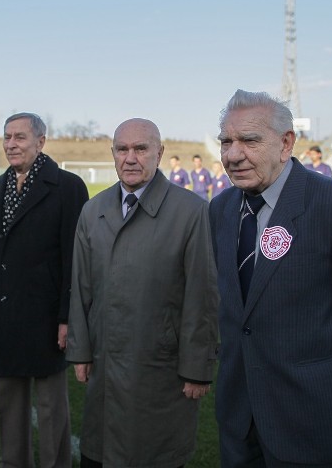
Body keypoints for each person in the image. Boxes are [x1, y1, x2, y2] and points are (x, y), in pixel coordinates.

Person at [209, 90, 332, 467]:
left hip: (315, 417)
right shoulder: (221, 208)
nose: (233, 155)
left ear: (286, 143)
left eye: (249, 140)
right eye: (226, 142)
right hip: (239, 418)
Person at [67, 118, 219, 467]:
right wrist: (81, 350)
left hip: (158, 366)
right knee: (100, 451)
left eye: (141, 148)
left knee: (154, 454)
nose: (130, 157)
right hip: (106, 364)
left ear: (159, 153)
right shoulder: (94, 210)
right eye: (122, 149)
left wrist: (197, 367)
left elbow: (203, 294)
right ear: (113, 154)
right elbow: (81, 286)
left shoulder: (191, 211)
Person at [0, 113, 88, 468]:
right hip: (2, 313)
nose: (11, 144)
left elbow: (74, 260)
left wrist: (68, 317)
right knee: (10, 403)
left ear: (41, 141)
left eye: (19, 137)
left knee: (52, 406)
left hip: (46, 315)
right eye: (6, 137)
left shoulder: (67, 187)